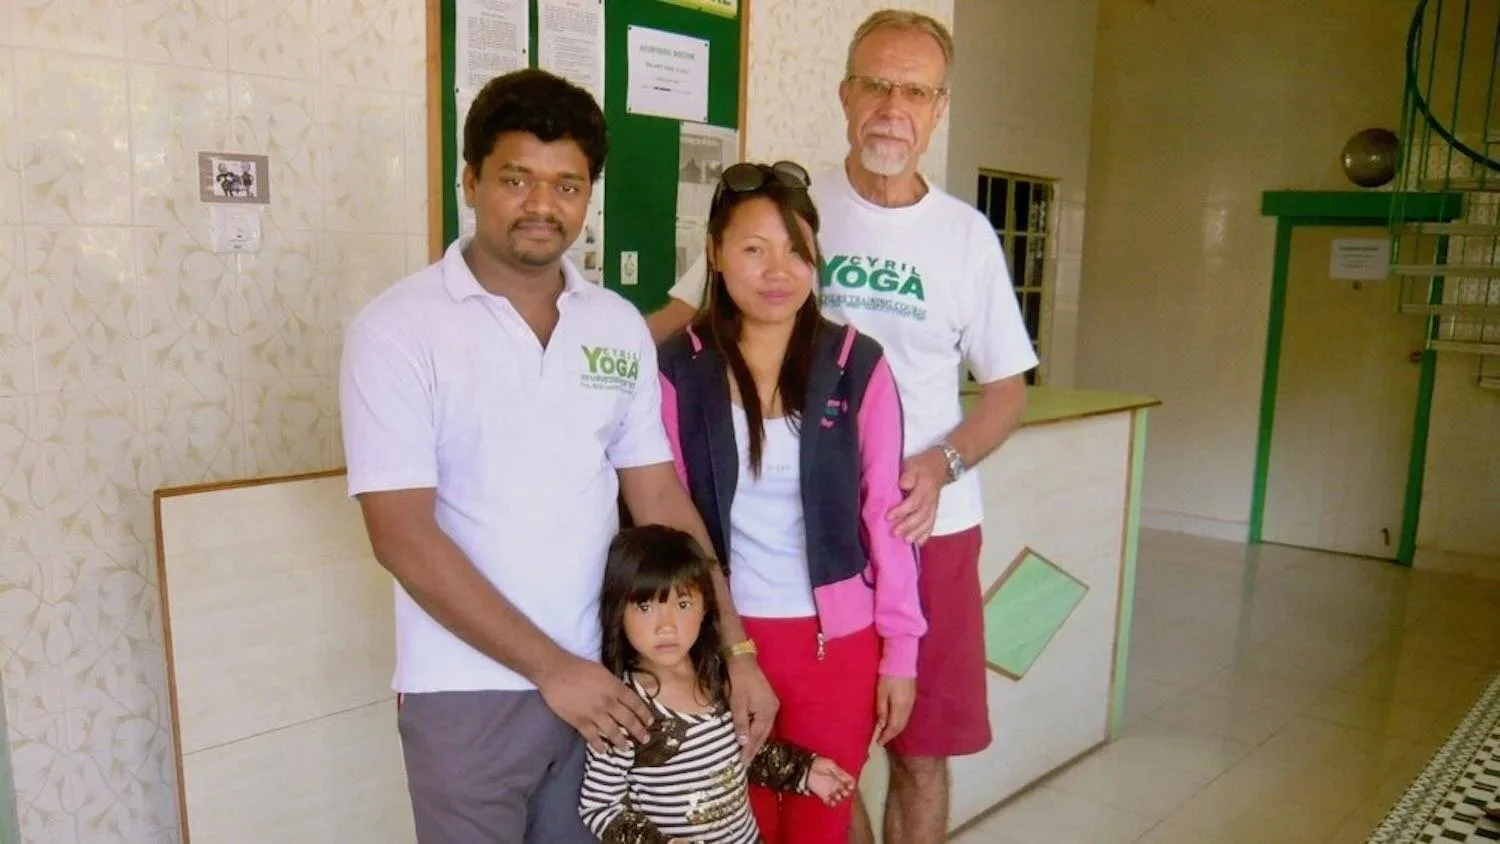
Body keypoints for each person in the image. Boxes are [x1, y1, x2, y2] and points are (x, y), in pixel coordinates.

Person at [339, 68, 776, 843]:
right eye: (517, 179)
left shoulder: (613, 325)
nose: (542, 205)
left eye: (567, 186)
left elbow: (660, 501)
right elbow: (400, 535)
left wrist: (733, 647)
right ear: (470, 182)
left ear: (588, 196)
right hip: (465, 690)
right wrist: (551, 669)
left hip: (609, 677)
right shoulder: (398, 329)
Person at [646, 11, 1038, 844]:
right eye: (876, 85)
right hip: (784, 550)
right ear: (845, 95)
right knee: (811, 762)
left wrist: (942, 462)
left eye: (916, 91)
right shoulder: (788, 209)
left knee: (920, 753)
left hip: (921, 527)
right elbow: (675, 326)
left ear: (939, 107)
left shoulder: (966, 237)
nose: (893, 107)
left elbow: (1008, 389)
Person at [656, 159, 928, 843]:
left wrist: (901, 653)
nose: (778, 271)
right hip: (718, 642)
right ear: (714, 253)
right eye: (754, 249)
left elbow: (886, 518)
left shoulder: (856, 364)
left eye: (796, 251)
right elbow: (663, 513)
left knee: (819, 825)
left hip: (837, 646)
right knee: (730, 825)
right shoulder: (678, 367)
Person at [579, 525, 858, 843]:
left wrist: (804, 772)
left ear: (704, 609)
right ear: (619, 611)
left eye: (683, 604)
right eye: (645, 607)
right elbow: (600, 807)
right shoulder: (624, 710)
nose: (666, 626)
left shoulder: (716, 678)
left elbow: (738, 754)